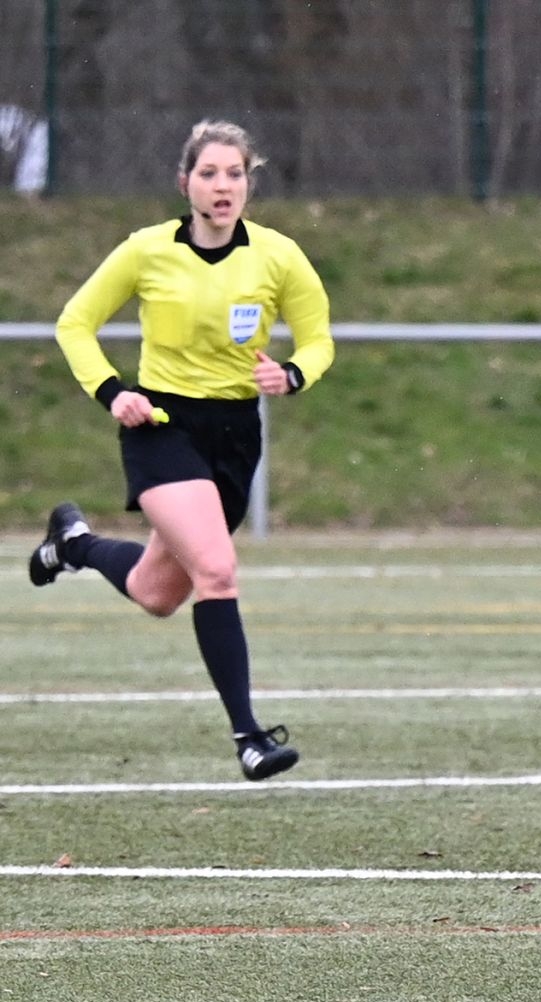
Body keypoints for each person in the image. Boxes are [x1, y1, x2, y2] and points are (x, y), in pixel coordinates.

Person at [34, 120, 335, 781]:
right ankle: (249, 737)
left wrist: (292, 374)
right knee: (218, 572)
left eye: (235, 173)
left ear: (249, 183)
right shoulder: (147, 250)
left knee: (156, 591)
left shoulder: (278, 256)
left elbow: (319, 340)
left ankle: (73, 544)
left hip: (234, 437)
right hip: (162, 428)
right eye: (209, 173)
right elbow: (75, 324)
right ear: (184, 183)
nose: (223, 186)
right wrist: (113, 392)